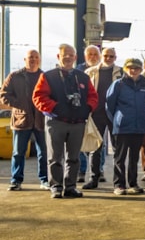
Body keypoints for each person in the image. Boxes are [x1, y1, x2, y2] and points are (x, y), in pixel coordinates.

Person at [32, 44, 98, 199]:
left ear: (75, 57)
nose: (68, 57)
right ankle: (55, 186)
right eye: (64, 54)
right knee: (55, 157)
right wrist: (55, 107)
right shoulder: (48, 76)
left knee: (73, 157)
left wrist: (87, 108)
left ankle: (70, 187)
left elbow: (93, 96)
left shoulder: (83, 77)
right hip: (56, 122)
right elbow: (38, 97)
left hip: (77, 123)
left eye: (71, 55)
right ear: (58, 57)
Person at [1, 49, 48, 191]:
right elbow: (4, 95)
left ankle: (45, 180)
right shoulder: (15, 76)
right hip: (22, 120)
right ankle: (16, 180)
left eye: (35, 57)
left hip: (41, 120)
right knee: (18, 152)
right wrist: (20, 104)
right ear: (25, 59)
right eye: (30, 57)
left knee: (44, 152)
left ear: (39, 60)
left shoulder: (45, 77)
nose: (33, 59)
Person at [105, 58, 145, 195]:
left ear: (141, 70)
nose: (133, 70)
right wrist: (117, 121)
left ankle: (133, 183)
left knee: (134, 157)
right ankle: (119, 185)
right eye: (130, 68)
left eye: (136, 68)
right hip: (122, 127)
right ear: (125, 69)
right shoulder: (118, 84)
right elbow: (109, 105)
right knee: (120, 157)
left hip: (139, 126)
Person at [81, 47, 124, 190]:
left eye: (111, 56)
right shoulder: (90, 72)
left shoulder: (121, 72)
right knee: (95, 147)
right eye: (106, 56)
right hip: (96, 114)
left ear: (115, 57)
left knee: (118, 148)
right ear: (102, 56)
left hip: (114, 115)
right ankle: (93, 178)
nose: (108, 58)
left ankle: (119, 182)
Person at [76, 44, 100, 181]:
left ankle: (99, 170)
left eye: (95, 54)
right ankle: (82, 170)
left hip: (99, 112)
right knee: (80, 141)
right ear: (85, 56)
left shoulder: (103, 70)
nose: (93, 57)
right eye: (90, 54)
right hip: (82, 111)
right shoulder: (78, 70)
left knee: (99, 142)